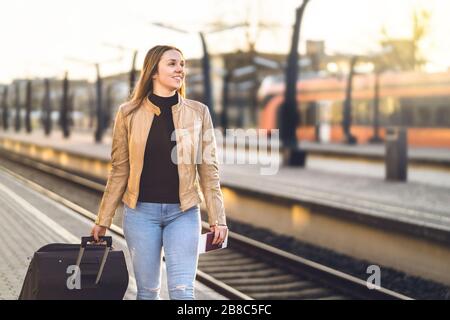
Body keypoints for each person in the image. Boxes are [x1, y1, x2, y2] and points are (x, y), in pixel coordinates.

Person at [91, 45, 228, 300]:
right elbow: (119, 170)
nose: (180, 70)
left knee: (183, 292)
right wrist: (103, 219)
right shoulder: (128, 113)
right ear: (153, 71)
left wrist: (218, 218)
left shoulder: (199, 113)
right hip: (141, 214)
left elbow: (209, 170)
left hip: (184, 213)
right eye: (173, 64)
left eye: (182, 64)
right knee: (147, 293)